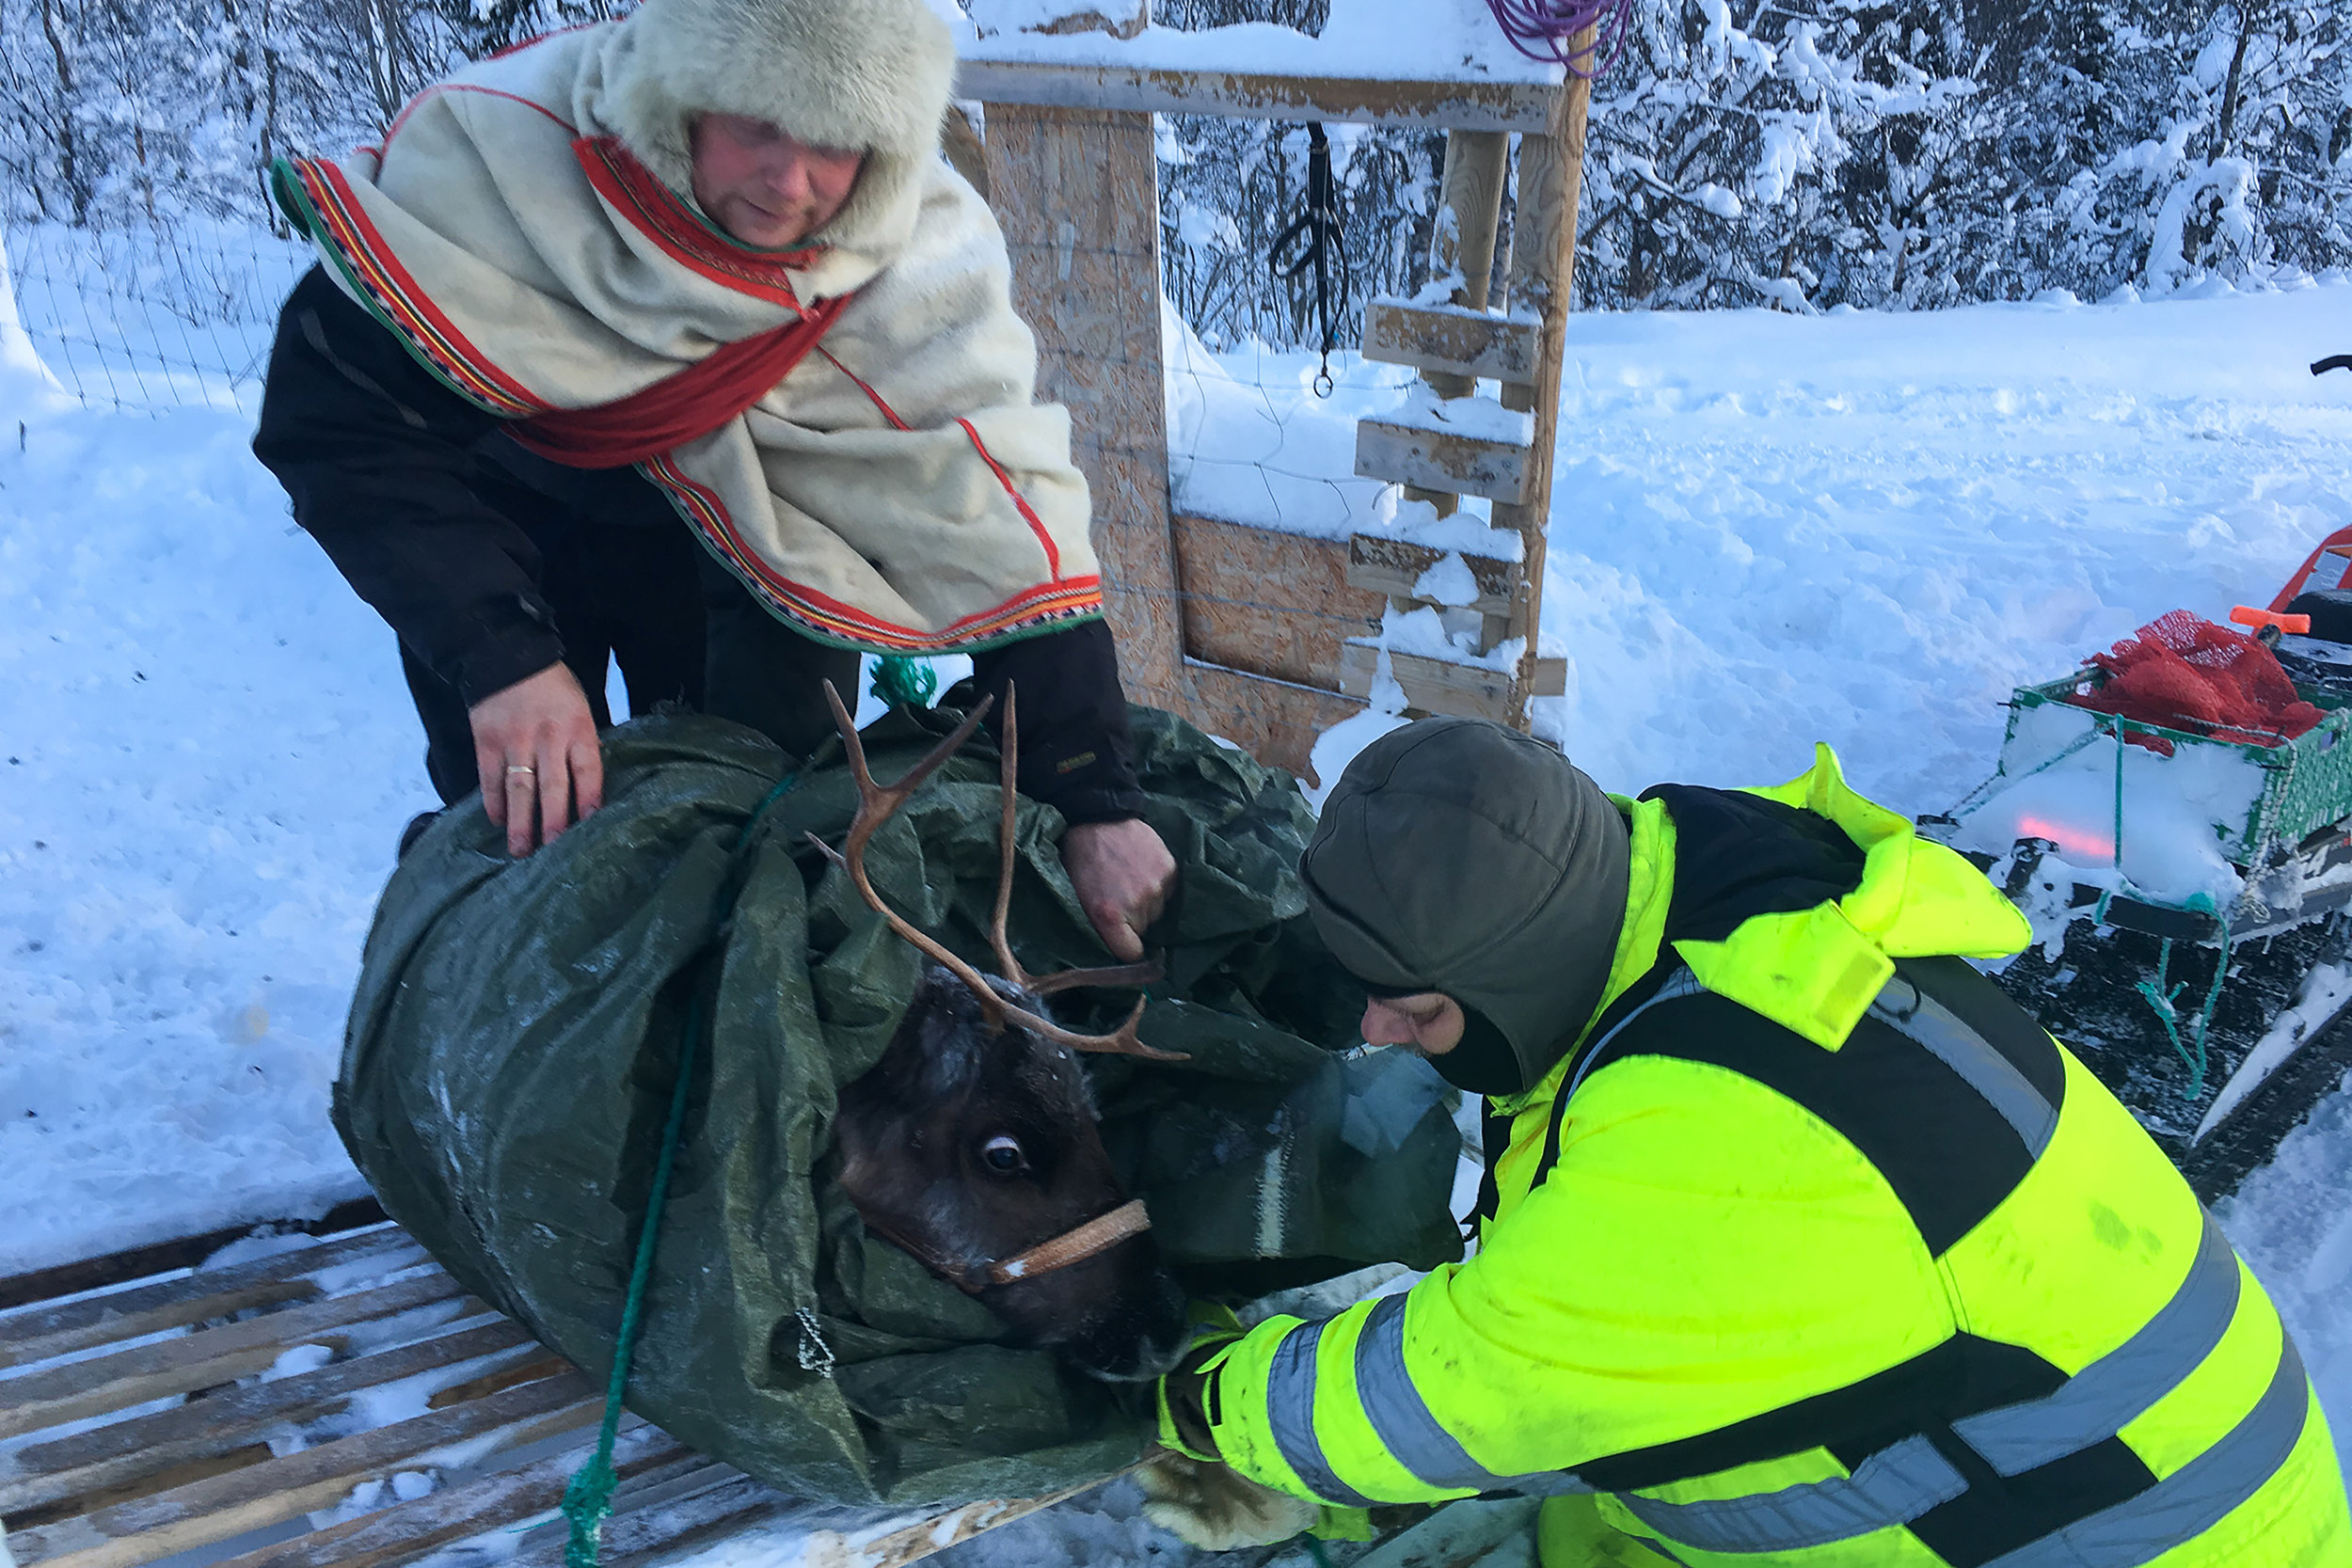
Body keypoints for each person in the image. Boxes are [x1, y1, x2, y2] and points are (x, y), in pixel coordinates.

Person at [1145, 718, 2352, 1564]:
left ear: (1516, 980)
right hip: (2085, 1471)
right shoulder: (1714, 926)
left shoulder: (1722, 1137)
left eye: (1412, 1006)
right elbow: (1624, 1378)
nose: (1373, 1030)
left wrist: (1197, 1395)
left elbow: (1467, 1381)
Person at [251, 0, 1174, 958]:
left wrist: (1092, 794)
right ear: (681, 96)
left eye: (836, 142)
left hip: (755, 551)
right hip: (502, 520)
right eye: (756, 124)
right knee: (516, 838)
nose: (789, 180)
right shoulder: (505, 158)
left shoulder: (912, 250)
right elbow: (338, 418)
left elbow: (998, 515)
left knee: (760, 850)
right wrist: (503, 658)